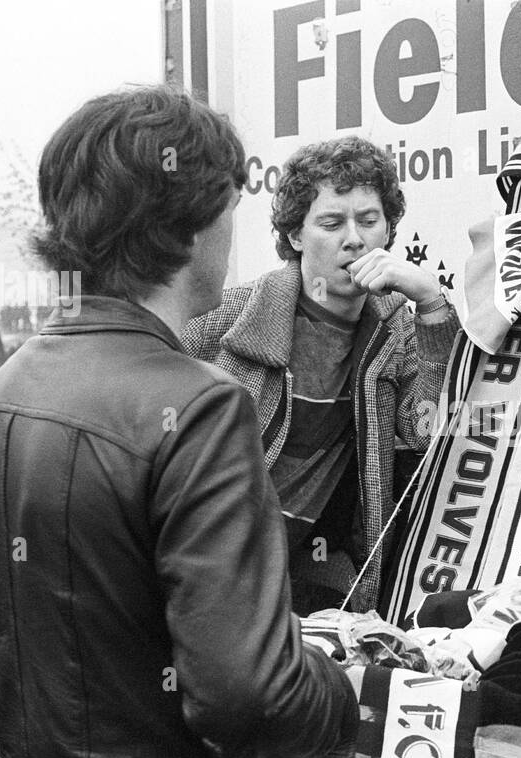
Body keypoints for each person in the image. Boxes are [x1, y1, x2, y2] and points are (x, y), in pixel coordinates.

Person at [0, 85, 358, 758]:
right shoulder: (201, 407)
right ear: (190, 226)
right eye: (230, 209)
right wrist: (343, 692)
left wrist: (101, 697)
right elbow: (250, 696)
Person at [184, 135, 461, 615]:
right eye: (331, 223)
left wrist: (432, 305)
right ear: (295, 236)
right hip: (214, 567)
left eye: (369, 221)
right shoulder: (225, 319)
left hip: (316, 575)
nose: (354, 238)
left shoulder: (396, 326)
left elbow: (428, 431)